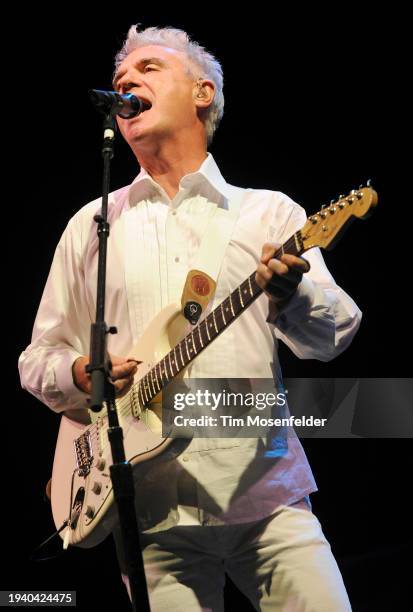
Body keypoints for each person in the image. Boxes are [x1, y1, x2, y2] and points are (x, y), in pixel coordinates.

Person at [19, 25, 360, 611]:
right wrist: (79, 372)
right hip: (149, 516)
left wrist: (289, 298)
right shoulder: (93, 225)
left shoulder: (267, 211)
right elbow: (37, 359)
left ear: (202, 93)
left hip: (265, 498)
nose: (125, 80)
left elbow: (333, 335)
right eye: (121, 76)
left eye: (149, 68)